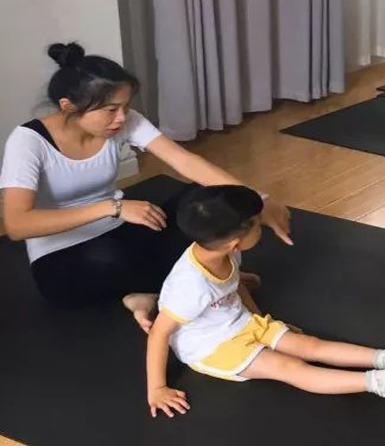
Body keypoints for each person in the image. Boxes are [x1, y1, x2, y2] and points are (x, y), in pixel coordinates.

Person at [0, 43, 292, 332]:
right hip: (62, 259)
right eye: (111, 109)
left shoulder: (121, 122)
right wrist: (111, 208)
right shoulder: (28, 142)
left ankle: (152, 292)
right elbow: (17, 224)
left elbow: (184, 160)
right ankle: (202, 283)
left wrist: (256, 198)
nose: (122, 117)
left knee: (205, 197)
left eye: (125, 107)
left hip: (122, 232)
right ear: (69, 107)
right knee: (107, 256)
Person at [146, 185, 385, 417]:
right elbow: (159, 333)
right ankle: (379, 384)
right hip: (210, 346)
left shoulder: (225, 250)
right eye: (258, 225)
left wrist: (261, 322)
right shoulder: (191, 287)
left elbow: (233, 287)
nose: (263, 227)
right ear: (236, 241)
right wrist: (157, 388)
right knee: (289, 368)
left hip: (239, 322)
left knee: (310, 345)